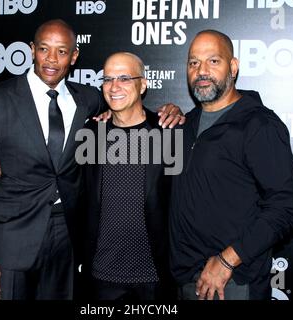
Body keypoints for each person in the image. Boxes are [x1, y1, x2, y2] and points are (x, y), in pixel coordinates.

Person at [0, 19, 183, 300]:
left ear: (75, 56)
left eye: (62, 51)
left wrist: (172, 110)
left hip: (70, 242)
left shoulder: (89, 101)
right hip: (11, 241)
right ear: (32, 50)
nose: (52, 59)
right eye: (44, 49)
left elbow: (127, 114)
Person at [169, 30, 293, 300]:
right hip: (184, 279)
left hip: (231, 284)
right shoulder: (185, 125)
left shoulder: (259, 125)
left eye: (213, 61)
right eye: (194, 63)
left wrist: (228, 261)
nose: (201, 70)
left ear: (234, 67)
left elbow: (284, 209)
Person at [79, 52, 178, 300]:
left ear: (143, 84)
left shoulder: (168, 132)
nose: (114, 87)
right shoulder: (91, 133)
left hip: (153, 279)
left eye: (124, 78)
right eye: (108, 79)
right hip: (101, 277)